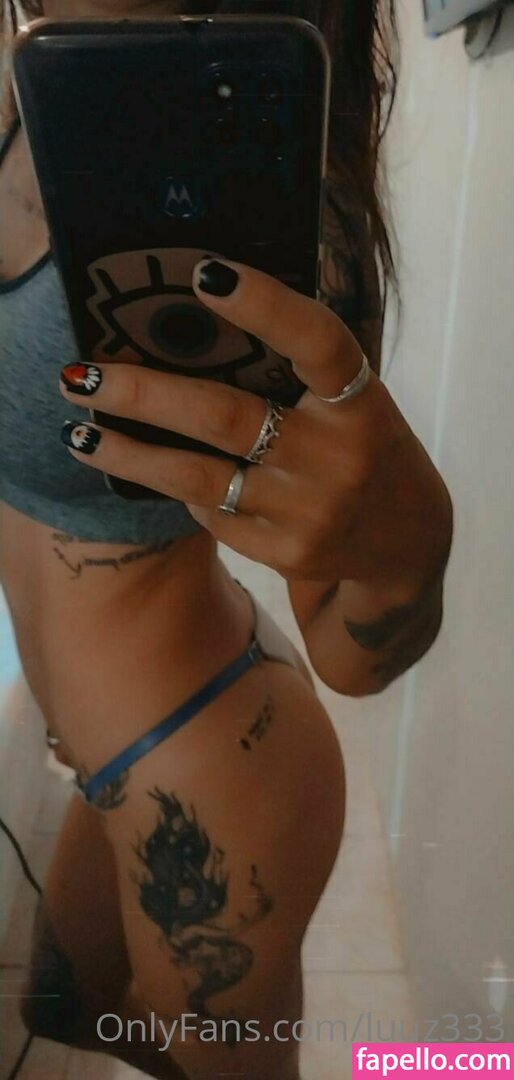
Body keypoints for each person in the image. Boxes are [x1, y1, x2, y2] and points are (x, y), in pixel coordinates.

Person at [0, 2, 453, 1078]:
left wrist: (407, 561)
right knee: (64, 1006)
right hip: (104, 756)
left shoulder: (278, 197)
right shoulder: (25, 88)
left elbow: (347, 650)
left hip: (209, 766)